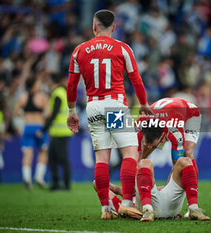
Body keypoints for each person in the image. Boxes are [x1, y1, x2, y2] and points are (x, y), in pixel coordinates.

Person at [66, 9, 153, 219]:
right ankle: (126, 202)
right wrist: (144, 104)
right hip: (114, 105)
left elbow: (71, 84)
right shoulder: (122, 48)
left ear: (94, 27)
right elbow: (136, 80)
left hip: (93, 106)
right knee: (130, 153)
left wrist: (71, 111)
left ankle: (106, 209)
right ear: (114, 27)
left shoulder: (79, 50)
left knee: (102, 158)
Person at [93, 157, 210, 222]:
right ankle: (147, 210)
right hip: (155, 209)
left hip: (155, 201)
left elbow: (101, 185)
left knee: (184, 161)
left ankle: (193, 208)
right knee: (145, 162)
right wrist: (121, 192)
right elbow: (96, 183)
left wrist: (122, 192)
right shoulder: (120, 206)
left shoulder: (124, 203)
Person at [13, 76, 49, 190]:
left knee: (27, 154)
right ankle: (39, 177)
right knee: (43, 152)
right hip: (39, 127)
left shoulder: (22, 96)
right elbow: (48, 114)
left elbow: (15, 112)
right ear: (34, 84)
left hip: (27, 127)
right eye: (38, 82)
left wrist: (25, 114)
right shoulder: (42, 97)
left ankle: (27, 178)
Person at [41, 74, 73, 191]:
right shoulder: (62, 92)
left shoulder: (57, 93)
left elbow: (54, 113)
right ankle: (57, 184)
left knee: (61, 159)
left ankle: (65, 185)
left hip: (60, 132)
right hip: (60, 131)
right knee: (54, 158)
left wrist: (44, 129)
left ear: (52, 80)